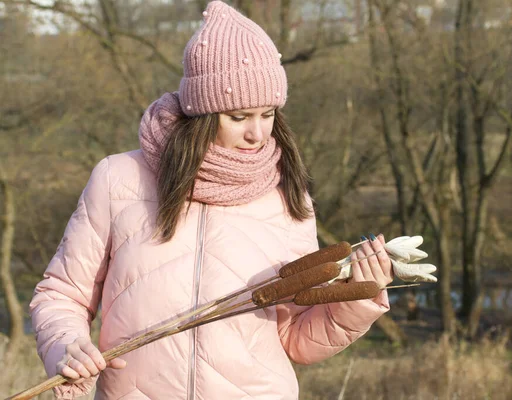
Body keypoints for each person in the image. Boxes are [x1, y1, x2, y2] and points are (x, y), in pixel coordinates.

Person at [30, 2, 397, 399]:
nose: (258, 133)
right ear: (201, 113)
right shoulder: (119, 180)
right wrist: (65, 346)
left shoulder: (288, 198)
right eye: (239, 117)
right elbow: (60, 295)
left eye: (268, 114)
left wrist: (357, 300)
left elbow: (296, 339)